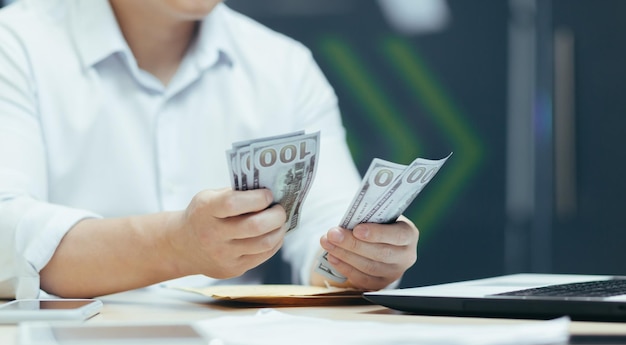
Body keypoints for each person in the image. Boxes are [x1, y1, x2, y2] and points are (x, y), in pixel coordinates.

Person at [0, 0, 419, 299]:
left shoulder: (284, 65)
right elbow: (6, 230)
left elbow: (323, 231)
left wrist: (362, 260)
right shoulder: (16, 44)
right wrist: (173, 245)